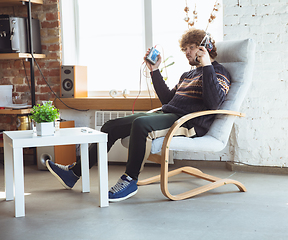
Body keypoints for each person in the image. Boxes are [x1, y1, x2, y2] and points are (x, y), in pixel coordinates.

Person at [46, 28, 231, 202]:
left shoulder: (219, 72)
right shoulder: (187, 75)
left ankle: (130, 180)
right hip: (168, 114)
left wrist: (207, 65)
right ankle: (74, 174)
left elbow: (214, 103)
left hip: (188, 122)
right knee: (110, 126)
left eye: (191, 48)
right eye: (185, 49)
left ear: (205, 48)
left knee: (141, 124)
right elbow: (168, 99)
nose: (188, 52)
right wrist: (155, 70)